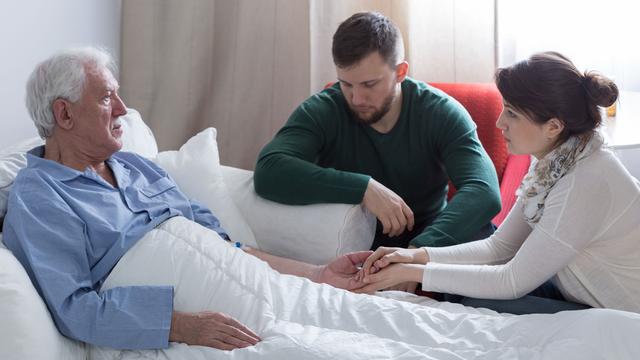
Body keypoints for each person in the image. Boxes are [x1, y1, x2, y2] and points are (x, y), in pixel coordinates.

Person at [2, 47, 372, 351]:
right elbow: (76, 309)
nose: (121, 109)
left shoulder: (136, 167)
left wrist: (316, 274)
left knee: (373, 322)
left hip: (259, 295)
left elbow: (228, 249)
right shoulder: (39, 200)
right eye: (105, 98)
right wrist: (184, 326)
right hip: (195, 332)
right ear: (64, 114)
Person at [355, 51, 640, 315]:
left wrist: (410, 272)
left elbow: (512, 280)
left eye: (512, 114)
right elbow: (499, 248)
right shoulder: (555, 159)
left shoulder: (585, 181)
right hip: (576, 291)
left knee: (480, 301)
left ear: (554, 126)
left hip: (619, 312)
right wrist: (414, 256)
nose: (500, 122)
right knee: (472, 282)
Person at [253, 12, 501, 291]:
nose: (356, 99)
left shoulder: (441, 112)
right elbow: (269, 169)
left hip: (427, 242)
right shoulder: (324, 109)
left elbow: (484, 192)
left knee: (484, 237)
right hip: (351, 250)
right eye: (346, 84)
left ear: (401, 72)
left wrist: (416, 255)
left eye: (369, 84)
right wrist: (364, 188)